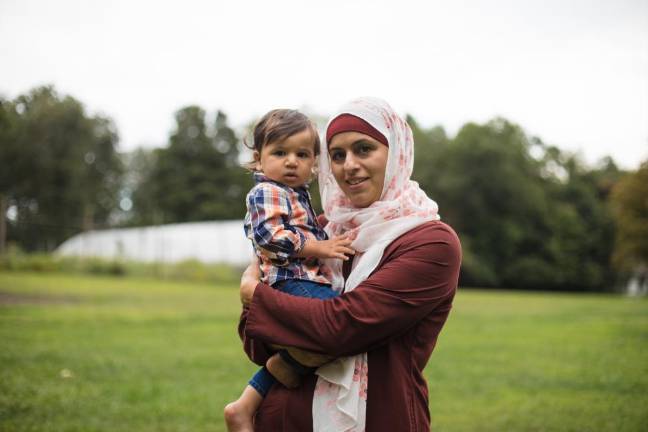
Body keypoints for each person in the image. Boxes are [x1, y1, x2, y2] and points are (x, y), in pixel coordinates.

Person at [235, 97, 462, 431]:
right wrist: (269, 313)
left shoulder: (430, 242)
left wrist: (255, 295)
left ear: (397, 153)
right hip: (285, 419)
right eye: (337, 155)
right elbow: (254, 340)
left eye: (364, 149)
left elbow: (340, 328)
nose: (348, 165)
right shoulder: (324, 230)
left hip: (378, 419)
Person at [224, 109, 355, 432]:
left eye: (302, 154)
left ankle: (245, 405)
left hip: (306, 280)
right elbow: (269, 238)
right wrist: (319, 248)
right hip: (291, 282)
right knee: (342, 328)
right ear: (258, 159)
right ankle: (265, 384)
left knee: (305, 351)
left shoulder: (296, 195)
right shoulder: (265, 192)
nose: (292, 161)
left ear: (314, 162)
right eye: (279, 152)